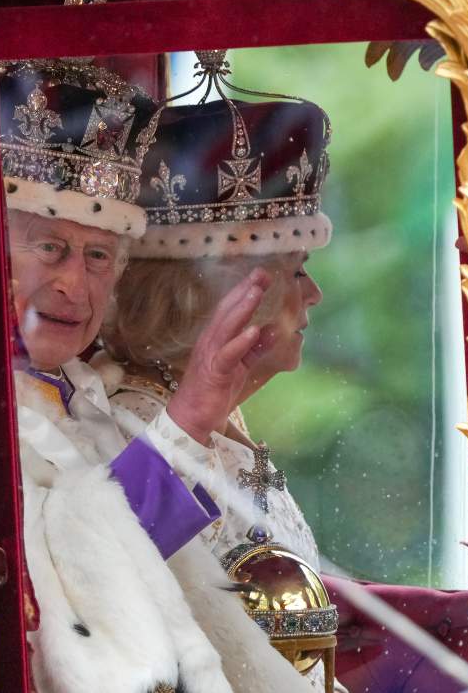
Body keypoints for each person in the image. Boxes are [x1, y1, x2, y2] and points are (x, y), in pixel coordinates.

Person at [0, 57, 314, 693]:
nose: (74, 282)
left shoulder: (78, 394)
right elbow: (51, 624)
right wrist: (187, 423)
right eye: (48, 247)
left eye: (97, 255)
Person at [98, 66, 335, 690]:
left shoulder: (227, 422)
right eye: (296, 268)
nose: (314, 294)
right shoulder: (131, 428)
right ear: (219, 292)